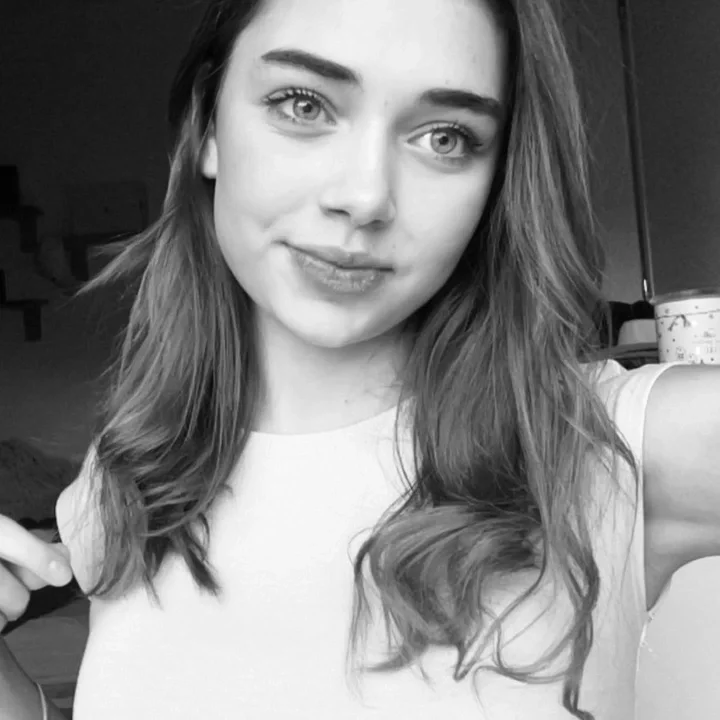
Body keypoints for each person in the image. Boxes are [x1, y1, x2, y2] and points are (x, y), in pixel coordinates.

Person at [1, 0, 719, 717]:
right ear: (208, 127)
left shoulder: (615, 448)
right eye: (303, 104)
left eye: (445, 137)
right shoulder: (127, 477)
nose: (365, 197)